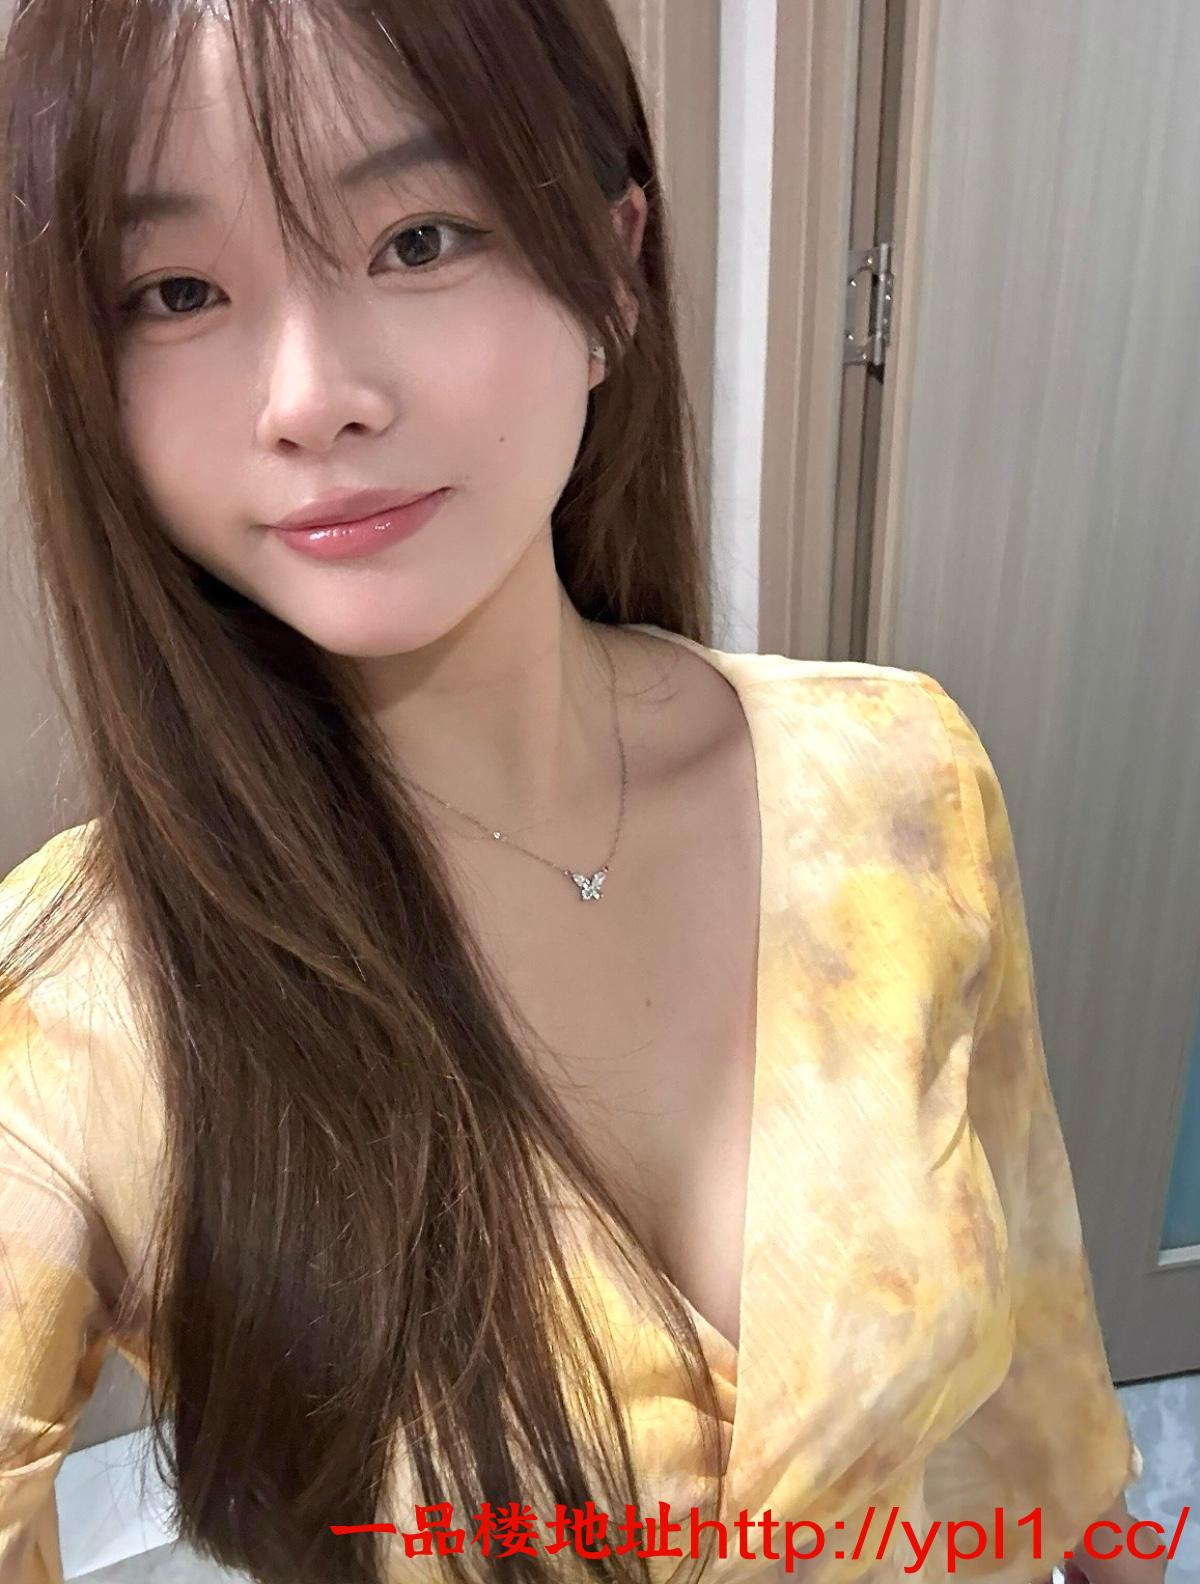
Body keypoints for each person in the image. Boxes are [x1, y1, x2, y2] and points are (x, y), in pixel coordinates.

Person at [0, 3, 1161, 1583]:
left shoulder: (899, 779)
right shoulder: (75, 1010)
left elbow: (1032, 1317)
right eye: (178, 291)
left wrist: (1105, 1545)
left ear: (612, 275)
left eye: (419, 239)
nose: (311, 395)